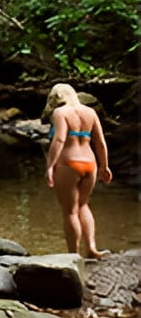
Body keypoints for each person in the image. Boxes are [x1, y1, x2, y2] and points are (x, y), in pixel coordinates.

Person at [43, 83, 112, 258]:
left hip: (69, 163)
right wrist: (104, 166)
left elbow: (59, 140)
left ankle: (73, 255)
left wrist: (50, 166)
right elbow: (101, 143)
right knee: (83, 205)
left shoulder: (60, 113)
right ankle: (91, 248)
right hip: (90, 163)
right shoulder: (90, 112)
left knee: (70, 211)